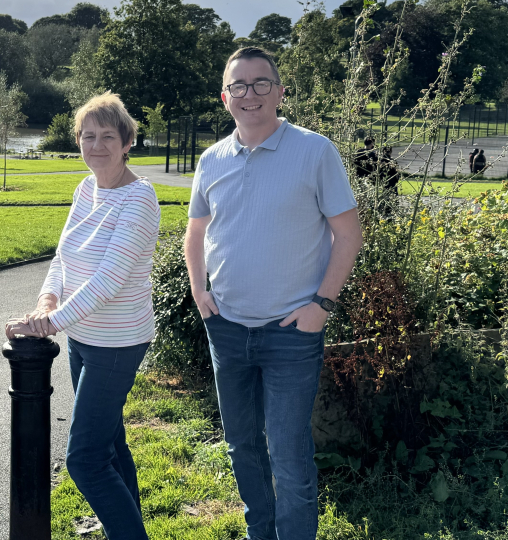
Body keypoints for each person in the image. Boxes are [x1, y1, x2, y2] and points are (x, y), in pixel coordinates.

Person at [184, 47, 363, 540]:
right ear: (225, 98)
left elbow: (348, 234)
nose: (251, 94)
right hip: (227, 329)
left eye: (262, 83)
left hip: (291, 333)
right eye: (239, 85)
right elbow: (195, 233)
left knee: (288, 454)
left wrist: (321, 306)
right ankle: (259, 533)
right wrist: (200, 291)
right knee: (242, 447)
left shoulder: (314, 151)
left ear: (281, 92)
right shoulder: (211, 159)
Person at [5, 92, 160, 540]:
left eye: (107, 136)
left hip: (118, 342)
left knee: (85, 459)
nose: (96, 145)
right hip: (83, 338)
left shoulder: (140, 198)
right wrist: (45, 305)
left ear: (127, 141)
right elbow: (63, 259)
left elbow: (109, 279)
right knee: (110, 443)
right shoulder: (86, 188)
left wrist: (49, 325)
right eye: (87, 136)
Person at [378, 146, 400, 217]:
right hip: (392, 182)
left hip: (384, 183)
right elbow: (397, 174)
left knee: (384, 199)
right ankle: (393, 213)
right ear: (390, 152)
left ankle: (384, 213)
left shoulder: (380, 161)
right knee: (393, 200)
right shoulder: (393, 161)